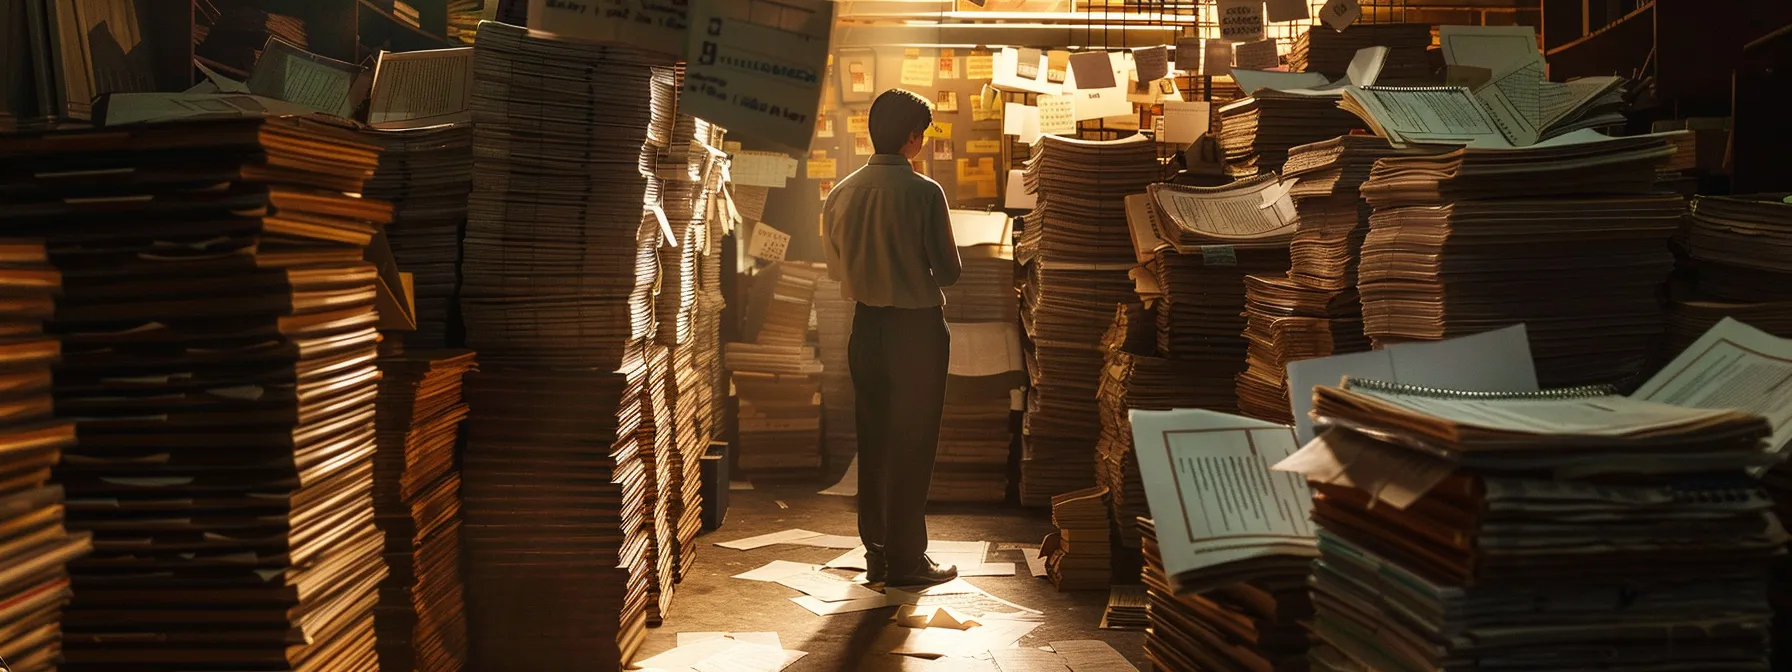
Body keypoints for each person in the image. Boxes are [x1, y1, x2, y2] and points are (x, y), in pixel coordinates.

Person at [822, 89, 962, 586]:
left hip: (866, 328)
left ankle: (877, 553)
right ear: (912, 137)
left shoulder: (841, 193)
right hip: (916, 330)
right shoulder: (925, 193)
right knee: (913, 442)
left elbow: (836, 265)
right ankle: (907, 559)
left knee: (875, 440)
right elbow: (948, 272)